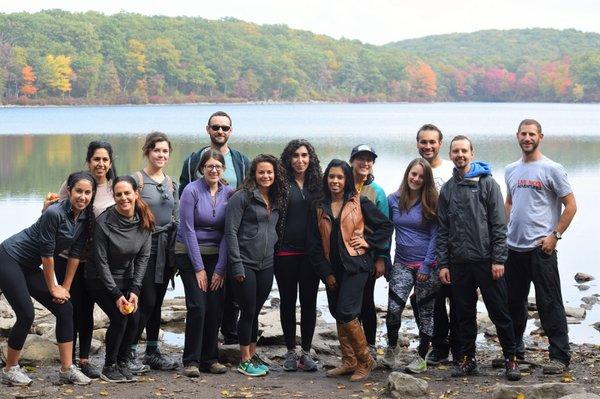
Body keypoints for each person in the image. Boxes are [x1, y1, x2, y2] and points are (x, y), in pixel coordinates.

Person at [436, 136, 521, 381]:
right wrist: (443, 263)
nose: (460, 155)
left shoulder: (487, 184)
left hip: (486, 261)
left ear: (472, 153)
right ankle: (467, 359)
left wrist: (498, 259)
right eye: (455, 151)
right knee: (463, 314)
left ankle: (511, 359)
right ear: (450, 155)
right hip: (458, 263)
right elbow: (443, 230)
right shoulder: (448, 189)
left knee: (499, 312)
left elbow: (499, 224)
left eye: (464, 150)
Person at [0, 171, 96, 386]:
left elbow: (75, 255)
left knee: (65, 308)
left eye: (88, 192)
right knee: (26, 314)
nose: (83, 196)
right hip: (9, 258)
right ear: (69, 191)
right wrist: (53, 286)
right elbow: (47, 256)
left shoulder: (85, 217)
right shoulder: (54, 213)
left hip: (29, 265)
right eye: (78, 191)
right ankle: (10, 369)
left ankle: (66, 369)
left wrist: (65, 288)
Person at [307, 159, 393, 382]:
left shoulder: (359, 202)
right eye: (332, 177)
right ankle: (349, 361)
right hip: (332, 269)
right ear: (326, 179)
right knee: (337, 311)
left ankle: (365, 360)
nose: (335, 181)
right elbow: (314, 244)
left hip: (357, 266)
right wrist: (326, 272)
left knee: (347, 311)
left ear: (347, 181)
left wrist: (368, 241)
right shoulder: (318, 207)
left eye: (340, 177)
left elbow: (386, 226)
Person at [504, 119, 577, 375]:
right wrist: (505, 230)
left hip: (541, 248)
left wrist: (555, 236)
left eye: (531, 134)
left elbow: (571, 206)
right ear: (517, 136)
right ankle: (514, 351)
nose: (527, 138)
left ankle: (559, 356)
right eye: (523, 134)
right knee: (514, 303)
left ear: (540, 137)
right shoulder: (511, 169)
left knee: (549, 303)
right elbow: (510, 202)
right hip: (513, 248)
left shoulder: (552, 169)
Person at [43, 140, 118, 378]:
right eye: (96, 158)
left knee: (87, 309)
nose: (101, 163)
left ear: (110, 162)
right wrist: (45, 207)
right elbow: (53, 214)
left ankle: (84, 360)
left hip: (95, 260)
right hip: (66, 255)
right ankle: (69, 361)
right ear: (89, 160)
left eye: (105, 159)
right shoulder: (73, 182)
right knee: (69, 306)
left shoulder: (115, 186)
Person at [179, 111, 250, 346]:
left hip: (227, 238)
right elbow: (185, 204)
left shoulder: (240, 161)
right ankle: (195, 355)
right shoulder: (193, 163)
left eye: (225, 128)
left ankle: (227, 338)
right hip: (195, 243)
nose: (220, 131)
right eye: (216, 127)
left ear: (231, 131)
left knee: (226, 296)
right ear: (208, 129)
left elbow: (245, 194)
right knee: (199, 303)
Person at [85, 176, 153, 383]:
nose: (123, 198)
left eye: (127, 193)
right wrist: (116, 295)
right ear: (113, 197)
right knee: (120, 317)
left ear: (136, 194)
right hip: (98, 278)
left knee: (134, 317)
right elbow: (101, 261)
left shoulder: (144, 220)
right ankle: (109, 366)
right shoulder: (104, 222)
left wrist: (135, 290)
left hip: (125, 276)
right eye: (118, 194)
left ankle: (123, 362)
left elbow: (143, 258)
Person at [225, 154, 287, 377]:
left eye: (269, 172)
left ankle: (252, 353)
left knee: (256, 310)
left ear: (275, 174)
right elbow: (230, 233)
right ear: (254, 173)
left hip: (267, 263)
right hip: (245, 263)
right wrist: (237, 265)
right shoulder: (241, 197)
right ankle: (244, 360)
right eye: (261, 172)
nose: (266, 176)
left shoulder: (276, 198)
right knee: (247, 310)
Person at [176, 149, 234, 377]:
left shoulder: (228, 193)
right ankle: (191, 360)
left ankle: (210, 358)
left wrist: (219, 269)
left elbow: (228, 233)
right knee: (198, 306)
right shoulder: (191, 191)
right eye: (209, 166)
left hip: (217, 255)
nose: (214, 170)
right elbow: (188, 230)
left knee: (215, 305)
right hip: (189, 253)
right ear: (202, 168)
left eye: (218, 167)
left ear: (223, 169)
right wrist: (199, 268)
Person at [382, 158, 440, 374]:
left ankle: (421, 355)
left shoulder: (432, 201)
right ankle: (391, 347)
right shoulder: (393, 199)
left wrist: (426, 265)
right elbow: (387, 231)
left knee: (426, 313)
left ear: (426, 180)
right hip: (402, 263)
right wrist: (385, 258)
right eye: (413, 174)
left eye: (421, 176)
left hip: (427, 266)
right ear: (407, 174)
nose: (416, 179)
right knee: (394, 309)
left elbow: (436, 235)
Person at [128, 132, 179, 372]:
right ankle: (127, 351)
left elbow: (175, 216)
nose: (161, 155)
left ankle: (152, 350)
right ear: (147, 151)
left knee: (158, 301)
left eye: (165, 151)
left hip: (166, 248)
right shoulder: (136, 180)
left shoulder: (170, 183)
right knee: (145, 300)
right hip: (143, 247)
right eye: (156, 150)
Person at [412, 124, 458, 366]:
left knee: (456, 297)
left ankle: (459, 345)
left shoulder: (452, 171)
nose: (427, 146)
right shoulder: (416, 171)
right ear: (417, 143)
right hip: (427, 248)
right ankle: (440, 346)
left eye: (432, 142)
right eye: (423, 142)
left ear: (440, 144)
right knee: (432, 300)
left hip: (453, 244)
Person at [276, 140, 322, 372]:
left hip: (311, 254)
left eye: (304, 155)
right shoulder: (281, 183)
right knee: (287, 302)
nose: (300, 160)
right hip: (284, 253)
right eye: (295, 155)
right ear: (288, 158)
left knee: (309, 303)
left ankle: (306, 351)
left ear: (311, 158)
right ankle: (290, 351)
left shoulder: (318, 185)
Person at [349, 145, 389, 360]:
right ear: (352, 161)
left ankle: (370, 345)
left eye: (369, 160)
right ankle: (352, 347)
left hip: (369, 255)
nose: (365, 163)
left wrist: (381, 258)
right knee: (348, 303)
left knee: (366, 301)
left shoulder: (377, 191)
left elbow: (385, 228)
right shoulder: (342, 186)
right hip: (345, 256)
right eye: (360, 159)